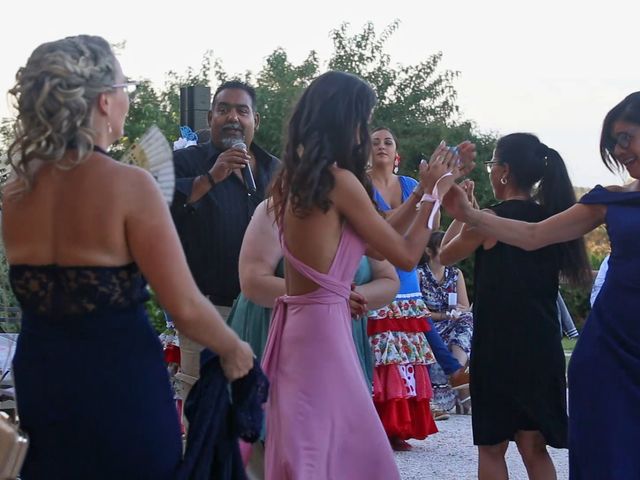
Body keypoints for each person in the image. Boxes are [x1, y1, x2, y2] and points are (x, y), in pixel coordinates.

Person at [2, 35, 254, 479]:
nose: (127, 103)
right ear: (103, 101)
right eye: (126, 90)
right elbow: (186, 306)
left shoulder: (15, 193)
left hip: (41, 379)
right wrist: (237, 353)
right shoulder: (128, 185)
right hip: (118, 379)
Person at [264, 70, 470, 479]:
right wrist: (435, 195)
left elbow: (375, 241)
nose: (364, 132)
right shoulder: (340, 181)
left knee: (316, 446)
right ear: (347, 121)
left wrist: (418, 194)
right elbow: (408, 256)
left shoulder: (299, 178)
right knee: (347, 449)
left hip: (305, 325)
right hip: (323, 333)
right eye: (363, 119)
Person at [444, 93, 640, 479]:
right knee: (609, 453)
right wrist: (470, 215)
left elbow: (450, 254)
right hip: (610, 346)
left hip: (510, 343)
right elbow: (533, 235)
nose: (620, 152)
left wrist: (475, 218)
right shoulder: (610, 200)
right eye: (614, 142)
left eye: (626, 137)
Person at [440, 132, 591, 479]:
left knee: (492, 447)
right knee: (534, 447)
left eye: (493, 164)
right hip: (542, 344)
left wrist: (468, 214)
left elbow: (445, 255)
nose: (491, 171)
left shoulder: (491, 220)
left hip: (499, 346)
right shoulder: (553, 218)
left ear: (505, 171)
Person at [230, 200, 400, 480]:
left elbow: (389, 278)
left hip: (341, 335)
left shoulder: (357, 211)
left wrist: (349, 299)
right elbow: (253, 282)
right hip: (278, 331)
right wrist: (330, 296)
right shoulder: (276, 209)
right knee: (281, 441)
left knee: (336, 439)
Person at [170, 80, 279, 395]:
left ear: (255, 121)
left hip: (266, 310)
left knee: (263, 407)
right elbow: (155, 210)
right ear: (210, 119)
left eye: (242, 110)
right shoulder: (185, 163)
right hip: (206, 309)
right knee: (204, 408)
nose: (233, 117)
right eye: (223, 109)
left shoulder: (276, 171)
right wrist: (209, 179)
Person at [367, 126, 473, 449]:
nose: (382, 146)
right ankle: (376, 423)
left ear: (396, 153)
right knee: (380, 352)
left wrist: (442, 187)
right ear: (367, 151)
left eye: (388, 141)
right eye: (375, 142)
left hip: (407, 276)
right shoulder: (360, 185)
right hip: (375, 273)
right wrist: (424, 197)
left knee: (405, 354)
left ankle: (399, 425)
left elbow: (435, 224)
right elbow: (379, 225)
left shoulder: (411, 184)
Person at [417, 230, 474, 416]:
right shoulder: (420, 275)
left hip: (453, 323)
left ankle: (457, 369)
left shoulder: (455, 274)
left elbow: (465, 306)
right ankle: (458, 379)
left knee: (469, 319)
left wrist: (457, 312)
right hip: (432, 325)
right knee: (428, 330)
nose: (450, 250)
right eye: (444, 246)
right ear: (429, 251)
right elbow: (419, 311)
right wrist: (443, 315)